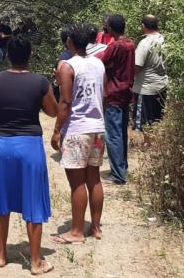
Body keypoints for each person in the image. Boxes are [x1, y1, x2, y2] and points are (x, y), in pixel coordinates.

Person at [0, 36, 57, 275]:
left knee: (2, 199)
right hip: (30, 145)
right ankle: (36, 262)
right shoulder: (40, 82)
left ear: (7, 56)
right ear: (31, 54)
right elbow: (53, 111)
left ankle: (2, 256)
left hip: (3, 143)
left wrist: (0, 133)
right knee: (33, 200)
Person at [50, 24, 106, 244]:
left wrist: (56, 131)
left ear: (69, 42)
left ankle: (76, 232)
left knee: (77, 183)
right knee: (94, 178)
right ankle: (96, 226)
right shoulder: (99, 63)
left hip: (77, 129)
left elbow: (65, 101)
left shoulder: (66, 66)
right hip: (97, 128)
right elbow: (105, 94)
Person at [99, 14, 135, 184]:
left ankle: (118, 175)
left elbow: (102, 61)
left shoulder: (116, 46)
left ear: (111, 28)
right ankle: (122, 168)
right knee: (121, 133)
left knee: (113, 134)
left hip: (114, 94)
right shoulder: (130, 43)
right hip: (126, 93)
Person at [133, 14, 169, 147]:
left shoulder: (145, 43)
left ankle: (149, 147)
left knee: (146, 121)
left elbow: (137, 66)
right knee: (157, 118)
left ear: (143, 26)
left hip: (146, 88)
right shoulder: (164, 40)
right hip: (161, 85)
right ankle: (157, 146)